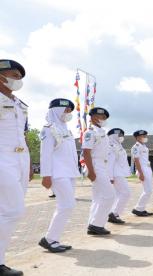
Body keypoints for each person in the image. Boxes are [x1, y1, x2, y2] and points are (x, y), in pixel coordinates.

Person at [0, 59, 31, 276]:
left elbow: (24, 135)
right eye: (13, 75)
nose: (17, 80)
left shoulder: (21, 104)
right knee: (13, 210)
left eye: (19, 77)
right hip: (2, 158)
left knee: (6, 210)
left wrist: (28, 164)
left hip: (21, 159)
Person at [38, 98, 79, 253]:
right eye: (66, 110)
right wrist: (46, 175)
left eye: (70, 111)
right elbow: (45, 153)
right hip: (57, 173)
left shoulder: (66, 129)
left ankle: (53, 239)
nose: (68, 113)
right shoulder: (49, 129)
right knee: (67, 205)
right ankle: (49, 239)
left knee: (66, 206)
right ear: (56, 110)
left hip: (69, 173)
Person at [82, 107, 115, 236]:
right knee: (109, 195)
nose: (104, 119)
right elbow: (86, 151)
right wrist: (91, 170)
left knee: (98, 198)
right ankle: (96, 225)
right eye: (101, 117)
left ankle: (93, 223)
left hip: (102, 165)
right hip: (95, 165)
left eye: (105, 117)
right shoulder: (90, 132)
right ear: (93, 117)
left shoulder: (102, 132)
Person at [107, 128, 131, 224]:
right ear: (114, 136)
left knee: (119, 194)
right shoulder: (111, 146)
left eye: (122, 135)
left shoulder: (118, 145)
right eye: (119, 135)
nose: (121, 137)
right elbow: (110, 162)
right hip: (116, 174)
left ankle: (113, 213)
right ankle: (114, 213)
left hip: (119, 173)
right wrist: (110, 177)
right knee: (126, 193)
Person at [131, 130, 153, 217]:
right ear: (137, 138)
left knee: (149, 190)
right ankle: (138, 209)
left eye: (145, 136)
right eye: (142, 136)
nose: (144, 137)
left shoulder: (144, 146)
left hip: (147, 169)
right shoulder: (136, 147)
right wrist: (140, 173)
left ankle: (141, 208)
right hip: (142, 169)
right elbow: (136, 160)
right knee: (147, 190)